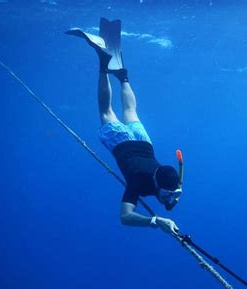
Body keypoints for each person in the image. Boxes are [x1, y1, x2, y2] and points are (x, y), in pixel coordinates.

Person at [67, 18, 181, 235]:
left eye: (173, 194)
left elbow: (174, 189)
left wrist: (171, 195)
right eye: (168, 194)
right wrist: (155, 221)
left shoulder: (171, 178)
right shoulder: (139, 183)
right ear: (157, 184)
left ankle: (123, 76)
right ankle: (103, 64)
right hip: (121, 143)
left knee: (131, 112)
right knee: (105, 111)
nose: (170, 199)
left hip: (144, 142)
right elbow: (125, 217)